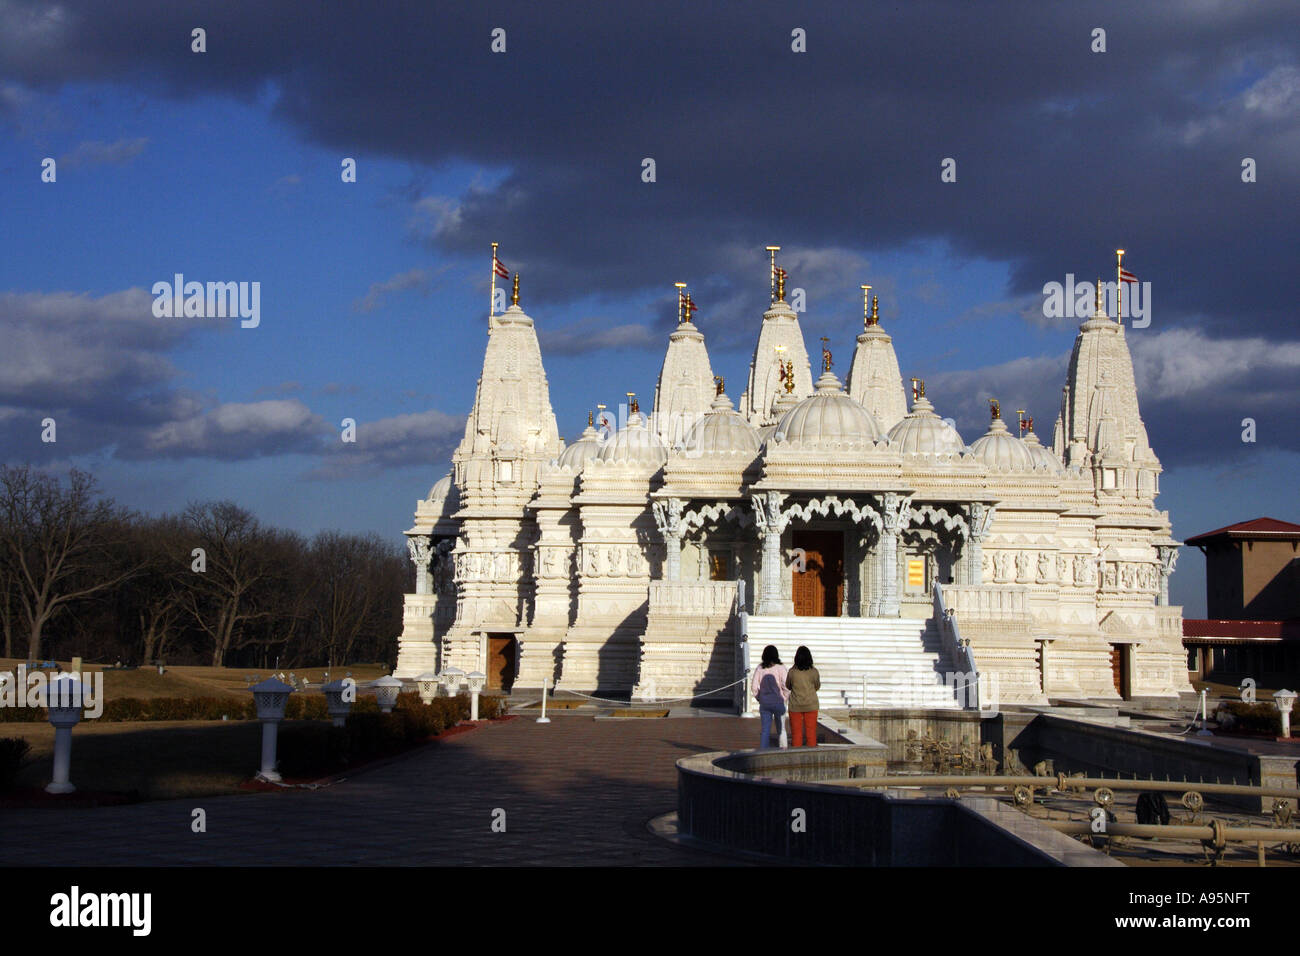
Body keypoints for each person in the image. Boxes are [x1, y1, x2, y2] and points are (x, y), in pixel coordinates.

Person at [750, 645, 789, 748]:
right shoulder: (781, 668)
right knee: (781, 729)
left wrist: (759, 698)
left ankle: (763, 752)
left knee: (765, 730)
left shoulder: (760, 668)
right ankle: (783, 750)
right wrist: (784, 697)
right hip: (778, 702)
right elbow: (786, 685)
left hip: (765, 703)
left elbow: (754, 687)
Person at [786, 645, 821, 747]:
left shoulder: (792, 672)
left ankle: (796, 756)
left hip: (795, 705)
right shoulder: (814, 671)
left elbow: (788, 685)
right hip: (811, 705)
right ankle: (812, 756)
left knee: (796, 734)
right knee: (811, 734)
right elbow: (817, 686)